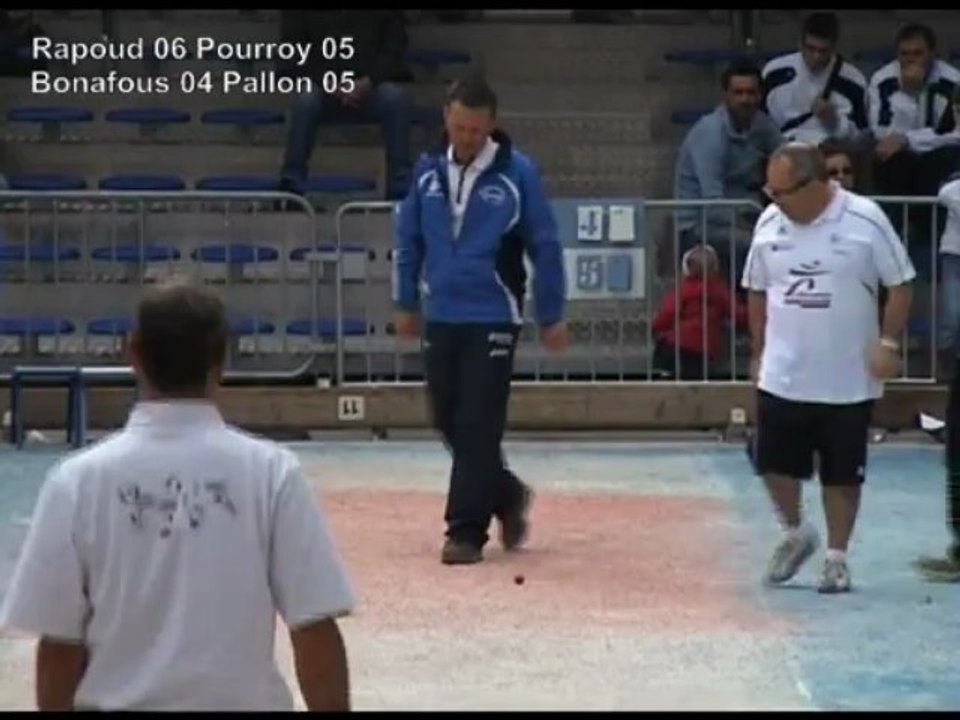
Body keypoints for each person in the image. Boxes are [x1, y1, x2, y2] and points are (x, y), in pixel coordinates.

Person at [0, 284, 354, 710]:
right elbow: (313, 627)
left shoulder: (76, 482)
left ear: (133, 354)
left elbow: (59, 645)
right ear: (221, 360)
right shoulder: (271, 473)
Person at [392, 75, 568, 565]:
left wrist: (552, 312)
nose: (466, 138)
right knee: (446, 418)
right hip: (441, 312)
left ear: (491, 125)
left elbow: (545, 244)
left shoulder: (518, 174)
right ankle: (508, 494)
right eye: (459, 127)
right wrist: (405, 301)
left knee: (477, 422)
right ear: (446, 118)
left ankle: (465, 530)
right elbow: (408, 241)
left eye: (475, 129)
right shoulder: (426, 173)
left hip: (494, 313)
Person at [741, 142, 916, 594]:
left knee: (841, 473)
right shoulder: (769, 222)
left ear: (816, 183)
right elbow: (757, 290)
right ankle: (796, 532)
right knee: (770, 462)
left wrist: (888, 342)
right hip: (784, 368)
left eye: (781, 192)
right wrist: (758, 350)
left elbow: (900, 284)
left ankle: (837, 557)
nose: (774, 201)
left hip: (846, 374)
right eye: (769, 192)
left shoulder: (865, 219)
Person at [277, 10, 413, 201]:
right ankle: (291, 184)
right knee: (305, 99)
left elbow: (395, 46)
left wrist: (369, 80)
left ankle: (400, 185)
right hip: (322, 88)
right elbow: (292, 52)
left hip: (370, 87)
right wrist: (328, 81)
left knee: (395, 97)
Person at [674, 59, 784, 286]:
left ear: (760, 95)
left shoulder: (761, 124)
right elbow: (713, 204)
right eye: (738, 93)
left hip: (740, 215)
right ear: (725, 95)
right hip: (698, 226)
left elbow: (788, 155)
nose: (745, 99)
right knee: (764, 244)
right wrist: (756, 218)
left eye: (751, 93)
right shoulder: (711, 133)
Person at [868, 23, 960, 244]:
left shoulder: (953, 81)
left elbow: (956, 133)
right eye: (904, 54)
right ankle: (893, 240)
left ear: (932, 54)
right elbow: (882, 133)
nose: (911, 60)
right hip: (899, 159)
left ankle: (934, 240)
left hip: (938, 155)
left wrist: (909, 139)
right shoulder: (883, 80)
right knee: (891, 161)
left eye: (918, 53)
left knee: (945, 158)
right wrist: (907, 96)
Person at [761, 12, 868, 146]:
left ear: (834, 47)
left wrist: (833, 121)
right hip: (785, 147)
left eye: (823, 51)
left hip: (831, 149)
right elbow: (761, 120)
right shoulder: (774, 72)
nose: (816, 56)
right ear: (800, 43)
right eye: (811, 48)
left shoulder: (853, 81)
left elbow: (861, 136)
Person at [650, 244, 748, 380]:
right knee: (696, 381)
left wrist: (656, 329)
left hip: (672, 345)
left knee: (667, 378)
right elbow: (738, 314)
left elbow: (667, 313)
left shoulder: (682, 290)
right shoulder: (719, 291)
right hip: (701, 349)